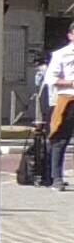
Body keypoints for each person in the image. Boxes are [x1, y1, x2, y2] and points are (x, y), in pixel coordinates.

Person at [45, 26, 74, 190]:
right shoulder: (61, 54)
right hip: (68, 99)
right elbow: (51, 79)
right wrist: (71, 83)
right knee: (60, 139)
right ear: (70, 35)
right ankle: (56, 178)